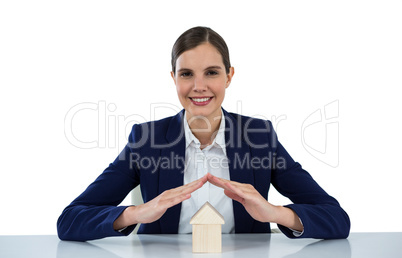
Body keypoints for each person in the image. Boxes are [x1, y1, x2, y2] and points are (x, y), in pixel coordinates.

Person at [57, 26, 350, 241]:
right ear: (174, 78)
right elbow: (69, 221)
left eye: (211, 72)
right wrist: (136, 214)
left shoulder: (259, 136)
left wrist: (275, 213)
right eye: (186, 74)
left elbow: (337, 219)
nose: (199, 86)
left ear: (229, 76)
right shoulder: (146, 140)